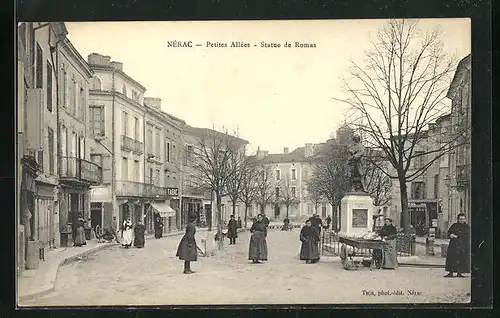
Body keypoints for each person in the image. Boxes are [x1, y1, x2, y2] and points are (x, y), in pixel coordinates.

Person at [444, 213, 470, 278]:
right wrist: (450, 235)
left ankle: (459, 272)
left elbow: (467, 235)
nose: (462, 220)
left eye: (463, 219)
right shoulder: (454, 225)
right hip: (453, 245)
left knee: (461, 258)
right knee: (451, 258)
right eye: (461, 219)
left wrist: (457, 236)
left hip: (462, 245)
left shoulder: (467, 227)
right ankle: (450, 272)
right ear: (458, 219)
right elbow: (449, 232)